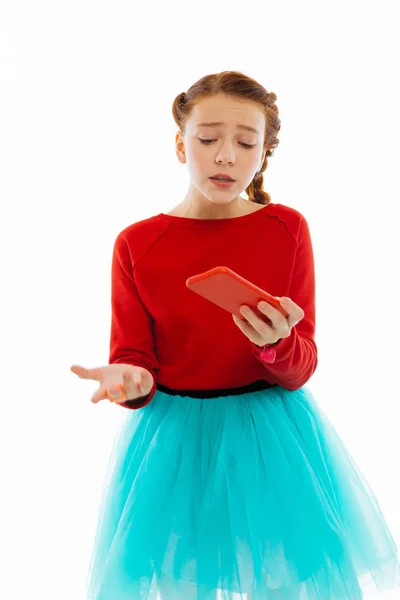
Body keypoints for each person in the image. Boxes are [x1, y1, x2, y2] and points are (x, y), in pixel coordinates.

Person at [71, 71, 400, 600]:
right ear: (181, 144)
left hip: (273, 440)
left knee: (283, 582)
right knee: (183, 581)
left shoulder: (286, 228)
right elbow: (135, 360)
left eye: (245, 142)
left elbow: (301, 367)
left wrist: (275, 345)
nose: (226, 155)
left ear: (262, 154)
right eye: (207, 139)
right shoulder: (136, 243)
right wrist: (129, 379)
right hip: (172, 448)